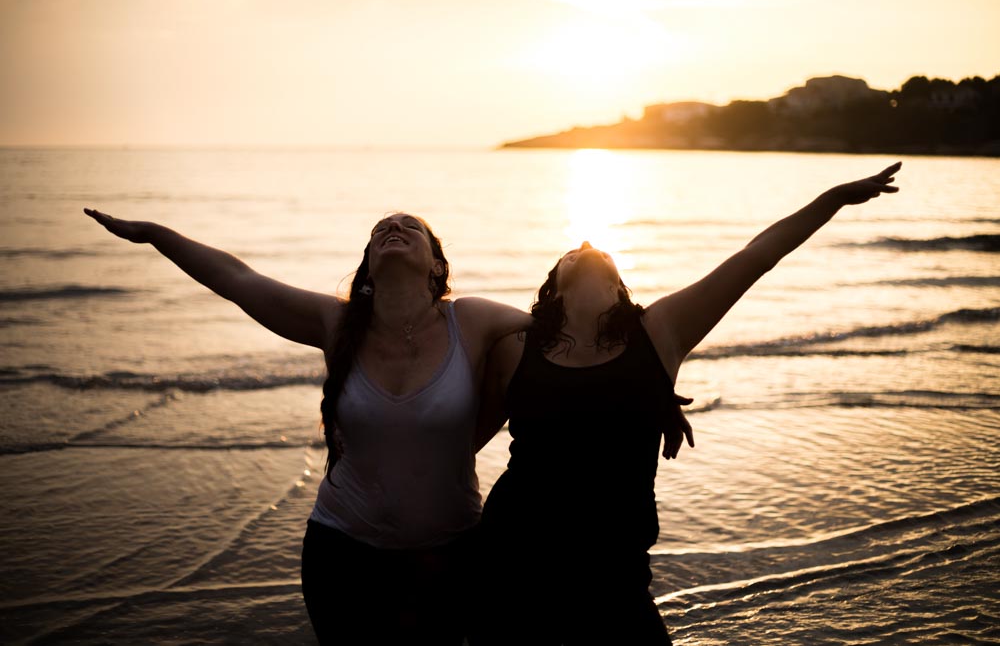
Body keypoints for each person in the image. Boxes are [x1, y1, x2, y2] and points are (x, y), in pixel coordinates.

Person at [471, 163, 902, 645]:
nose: (589, 247)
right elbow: (457, 435)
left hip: (617, 575)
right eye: (573, 252)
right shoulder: (516, 347)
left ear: (619, 287)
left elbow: (756, 256)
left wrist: (834, 199)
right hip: (513, 564)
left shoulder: (659, 333)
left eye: (599, 252)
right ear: (552, 289)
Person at [83, 209, 529, 645]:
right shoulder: (337, 324)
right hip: (342, 556)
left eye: (410, 225)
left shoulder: (470, 321)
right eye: (380, 229)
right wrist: (154, 234)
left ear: (436, 266)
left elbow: (557, 330)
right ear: (368, 269)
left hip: (448, 556)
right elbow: (238, 279)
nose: (392, 227)